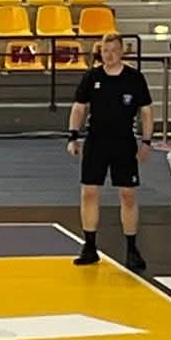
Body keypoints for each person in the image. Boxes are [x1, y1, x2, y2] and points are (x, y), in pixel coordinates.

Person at [68, 31, 155, 269]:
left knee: (127, 194)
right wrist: (73, 136)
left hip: (123, 142)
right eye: (105, 51)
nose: (109, 55)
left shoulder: (134, 78)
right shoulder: (92, 76)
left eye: (114, 50)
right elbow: (79, 107)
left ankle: (132, 248)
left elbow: (146, 111)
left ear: (122, 51)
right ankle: (89, 246)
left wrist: (146, 142)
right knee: (89, 192)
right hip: (96, 141)